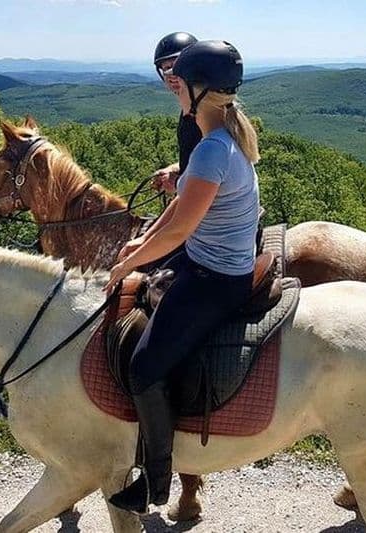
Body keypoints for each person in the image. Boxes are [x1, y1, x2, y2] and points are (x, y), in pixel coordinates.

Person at [104, 40, 261, 514]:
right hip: (208, 262)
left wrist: (127, 264)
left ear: (199, 91)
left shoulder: (212, 150)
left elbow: (181, 229)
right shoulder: (224, 138)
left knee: (143, 368)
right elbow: (179, 207)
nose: (175, 88)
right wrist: (140, 245)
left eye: (181, 83)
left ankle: (155, 483)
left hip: (215, 277)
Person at [151, 32, 203, 195]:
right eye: (166, 68)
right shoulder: (190, 110)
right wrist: (175, 169)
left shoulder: (207, 114)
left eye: (176, 65)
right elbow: (198, 160)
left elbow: (215, 169)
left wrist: (178, 183)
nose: (170, 74)